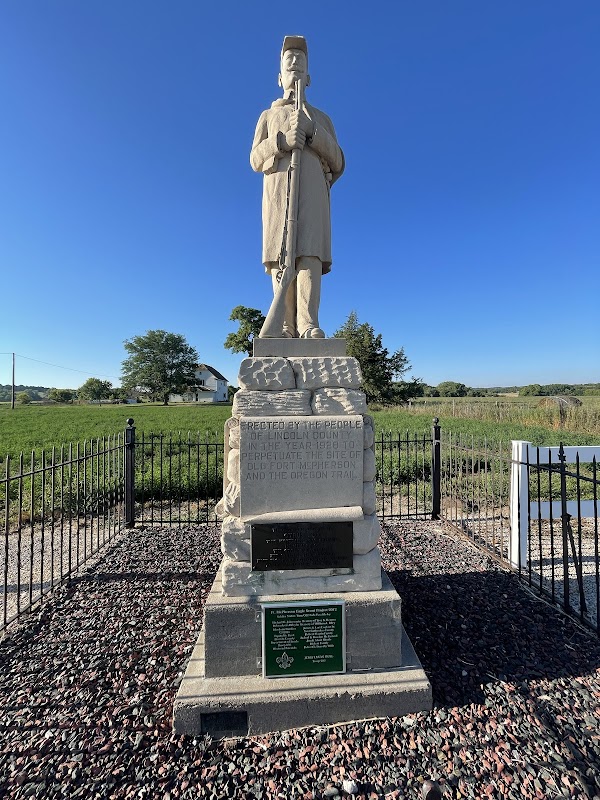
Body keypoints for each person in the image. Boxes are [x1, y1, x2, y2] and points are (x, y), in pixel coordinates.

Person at [250, 35, 344, 338]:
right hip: (278, 191)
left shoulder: (322, 118)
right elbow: (254, 158)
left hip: (312, 192)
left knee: (310, 253)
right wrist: (281, 141)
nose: (294, 62)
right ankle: (285, 324)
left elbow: (339, 161)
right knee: (281, 253)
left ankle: (307, 322)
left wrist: (312, 133)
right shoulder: (268, 115)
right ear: (280, 77)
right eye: (288, 61)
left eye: (300, 61)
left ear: (309, 76)